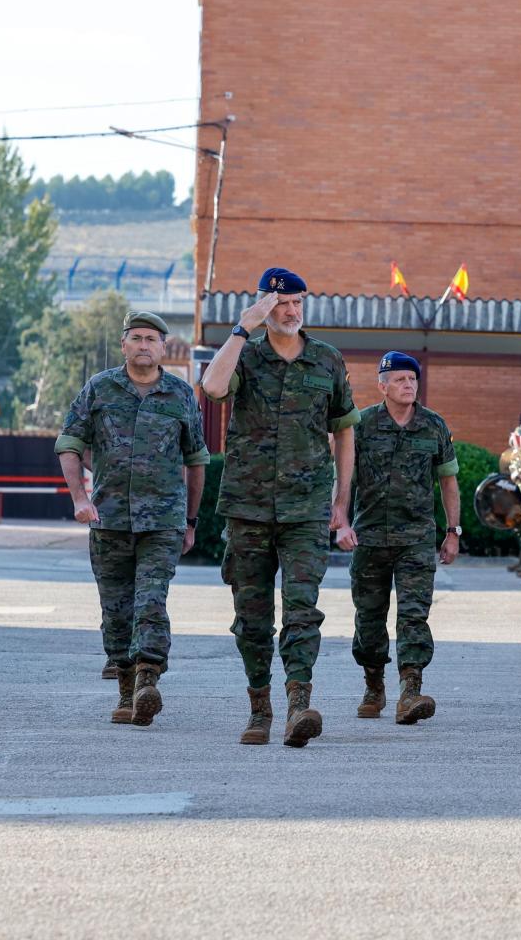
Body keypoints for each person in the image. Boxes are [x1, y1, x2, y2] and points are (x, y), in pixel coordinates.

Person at [201, 267, 360, 748]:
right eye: (282, 304)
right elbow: (211, 388)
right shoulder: (245, 357)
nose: (291, 312)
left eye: (297, 304)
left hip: (307, 508)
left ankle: (298, 704)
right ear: (265, 307)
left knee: (301, 609)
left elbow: (344, 432)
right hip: (247, 508)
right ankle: (259, 708)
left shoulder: (326, 360)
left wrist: (341, 501)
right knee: (251, 617)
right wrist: (241, 328)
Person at [55, 311, 208, 726]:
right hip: (109, 520)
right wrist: (79, 498)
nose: (143, 345)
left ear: (164, 347)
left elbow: (196, 462)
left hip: (163, 522)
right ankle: (126, 689)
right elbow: (69, 443)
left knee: (151, 599)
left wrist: (191, 520)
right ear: (124, 344)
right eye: (136, 338)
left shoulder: (180, 396)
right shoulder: (100, 389)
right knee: (116, 609)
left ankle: (147, 678)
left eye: (151, 339)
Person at [342, 351, 458, 726]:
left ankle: (410, 690)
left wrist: (453, 531)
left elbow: (448, 481)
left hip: (416, 539)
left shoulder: (433, 426)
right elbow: (345, 477)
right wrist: (339, 518)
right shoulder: (362, 424)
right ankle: (374, 685)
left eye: (412, 380)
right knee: (370, 618)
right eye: (400, 380)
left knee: (413, 616)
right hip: (370, 537)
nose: (408, 386)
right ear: (383, 385)